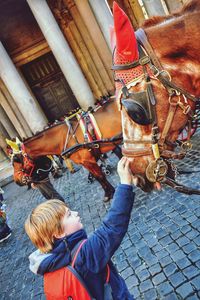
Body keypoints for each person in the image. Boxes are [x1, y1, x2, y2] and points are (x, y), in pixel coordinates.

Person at [25, 157, 137, 299]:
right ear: (58, 233)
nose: (76, 213)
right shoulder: (84, 257)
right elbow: (112, 228)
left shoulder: (50, 262)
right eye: (69, 215)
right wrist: (125, 184)